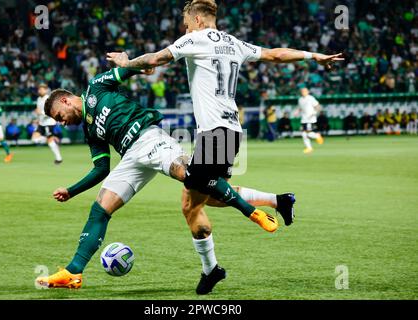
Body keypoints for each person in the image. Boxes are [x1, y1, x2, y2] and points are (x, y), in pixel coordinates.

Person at [107, 0, 343, 292]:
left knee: (192, 195)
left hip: (214, 132)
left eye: (186, 22)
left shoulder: (194, 39)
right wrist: (313, 55)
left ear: (196, 19)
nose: (185, 28)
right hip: (231, 131)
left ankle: (241, 231)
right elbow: (275, 55)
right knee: (205, 199)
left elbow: (155, 60)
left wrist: (126, 64)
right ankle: (277, 203)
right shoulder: (234, 43)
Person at [36, 67, 292, 294]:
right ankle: (73, 272)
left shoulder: (96, 87)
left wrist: (138, 66)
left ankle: (252, 212)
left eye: (59, 116)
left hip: (149, 139)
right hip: (131, 159)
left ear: (67, 100)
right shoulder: (90, 130)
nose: (62, 123)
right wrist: (71, 191)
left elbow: (129, 68)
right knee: (100, 210)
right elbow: (101, 168)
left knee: (194, 179)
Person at [32, 83, 63, 164]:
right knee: (34, 139)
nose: (40, 90)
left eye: (42, 89)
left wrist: (40, 113)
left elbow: (51, 111)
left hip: (49, 123)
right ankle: (53, 139)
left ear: (46, 90)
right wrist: (37, 119)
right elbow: (38, 110)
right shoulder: (39, 99)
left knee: (50, 143)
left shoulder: (49, 99)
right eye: (39, 89)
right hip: (42, 123)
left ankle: (58, 159)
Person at [294, 88, 324, 154]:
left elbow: (318, 106)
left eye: (305, 91)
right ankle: (309, 148)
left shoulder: (311, 98)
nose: (303, 92)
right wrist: (296, 112)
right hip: (304, 119)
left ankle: (317, 136)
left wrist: (314, 112)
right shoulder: (300, 99)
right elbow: (300, 108)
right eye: (302, 91)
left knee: (306, 133)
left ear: (308, 92)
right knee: (304, 134)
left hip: (310, 119)